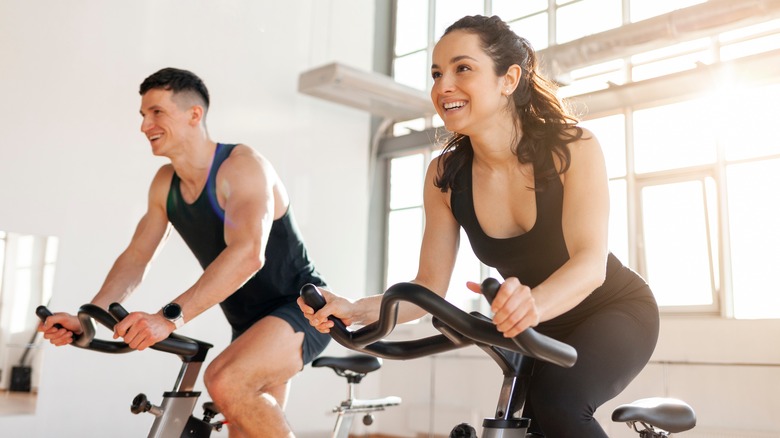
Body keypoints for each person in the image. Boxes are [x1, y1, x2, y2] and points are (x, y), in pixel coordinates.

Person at [298, 15, 659, 437]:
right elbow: (427, 290)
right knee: (525, 424)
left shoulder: (572, 147)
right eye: (437, 74)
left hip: (613, 309)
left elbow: (589, 264)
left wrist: (532, 305)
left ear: (509, 80)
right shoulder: (445, 176)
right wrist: (355, 310)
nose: (443, 86)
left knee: (558, 403)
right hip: (532, 323)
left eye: (462, 68)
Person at [39, 67, 330, 438]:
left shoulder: (241, 167)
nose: (145, 125)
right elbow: (137, 257)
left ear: (194, 114)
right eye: (143, 115)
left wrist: (168, 318)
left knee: (224, 379)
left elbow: (248, 254)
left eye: (157, 112)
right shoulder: (166, 184)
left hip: (303, 308)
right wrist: (90, 316)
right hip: (247, 323)